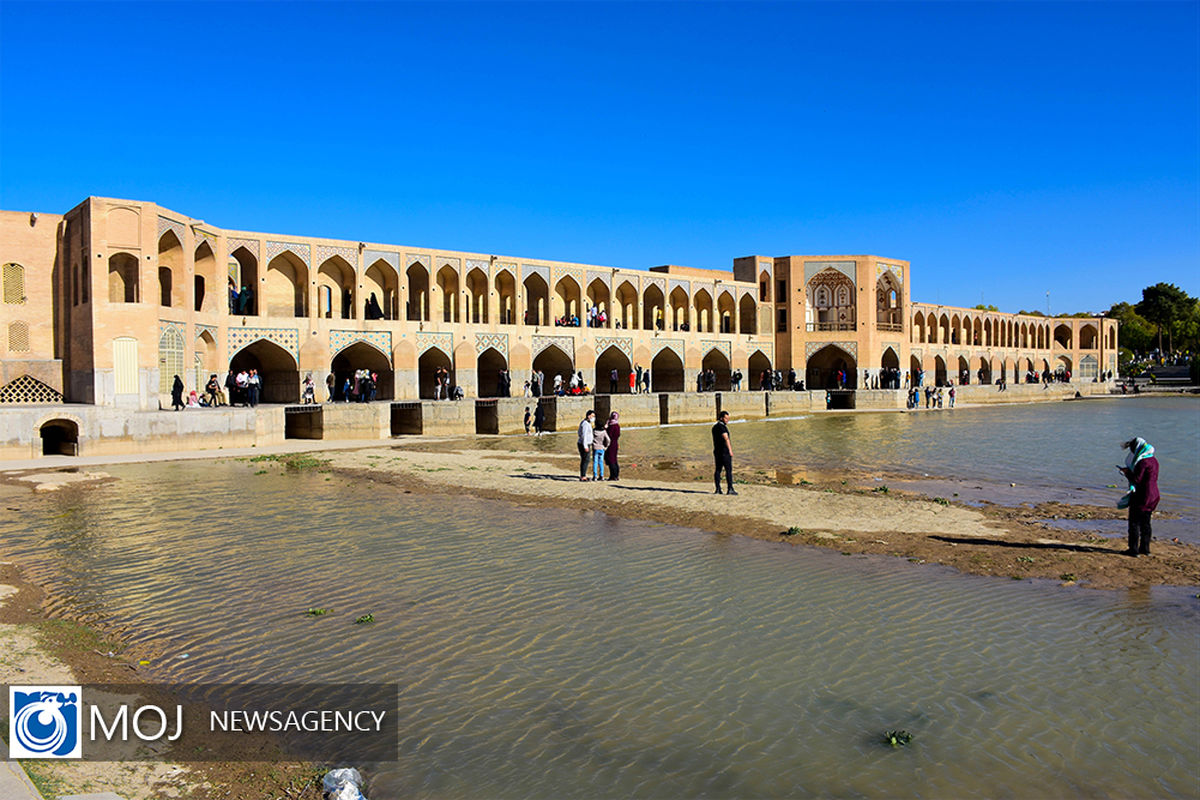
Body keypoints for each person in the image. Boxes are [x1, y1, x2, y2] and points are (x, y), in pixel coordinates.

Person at [1119, 437, 1160, 556]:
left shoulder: (1143, 462)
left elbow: (1137, 479)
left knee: (1134, 523)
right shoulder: (1153, 460)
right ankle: (1145, 549)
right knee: (1146, 523)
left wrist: (1127, 473)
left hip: (1142, 495)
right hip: (1154, 495)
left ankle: (1133, 550)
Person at [712, 410, 736, 495]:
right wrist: (730, 450)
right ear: (721, 418)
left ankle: (718, 489)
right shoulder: (722, 427)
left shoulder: (714, 427)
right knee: (728, 470)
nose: (727, 420)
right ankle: (730, 489)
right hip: (724, 452)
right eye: (726, 418)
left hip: (717, 451)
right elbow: (726, 438)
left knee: (718, 470)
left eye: (728, 418)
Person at [577, 409, 595, 481]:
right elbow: (583, 435)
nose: (593, 418)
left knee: (585, 459)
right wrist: (585, 446)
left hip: (586, 443)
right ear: (589, 416)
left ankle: (583, 474)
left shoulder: (587, 423)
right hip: (584, 444)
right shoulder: (585, 424)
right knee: (586, 460)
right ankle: (583, 476)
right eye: (592, 416)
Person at [604, 412, 621, 481]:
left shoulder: (611, 426)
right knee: (615, 460)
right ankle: (616, 475)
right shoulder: (617, 425)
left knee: (611, 460)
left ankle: (613, 476)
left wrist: (605, 429)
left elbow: (608, 435)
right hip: (615, 443)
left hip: (610, 444)